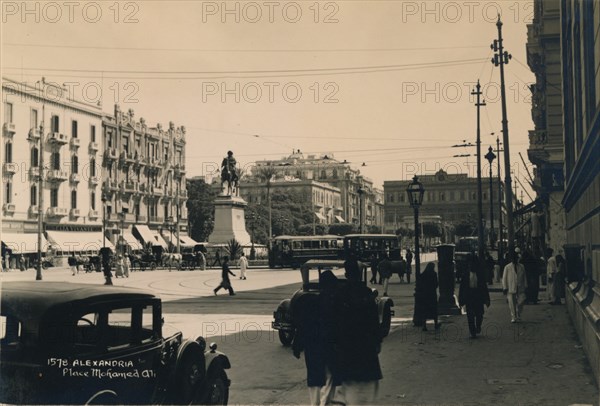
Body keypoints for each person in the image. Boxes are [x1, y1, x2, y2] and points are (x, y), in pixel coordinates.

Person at [333, 255, 382, 404]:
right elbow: (374, 322)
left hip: (347, 350)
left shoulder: (340, 295)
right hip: (366, 350)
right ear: (359, 273)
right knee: (367, 394)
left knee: (349, 392)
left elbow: (335, 323)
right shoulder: (367, 294)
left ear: (346, 274)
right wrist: (377, 342)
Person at [292, 270, 340, 405]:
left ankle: (315, 404)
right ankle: (325, 403)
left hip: (313, 347)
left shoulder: (309, 302)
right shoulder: (335, 303)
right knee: (330, 376)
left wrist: (297, 345)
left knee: (314, 377)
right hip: (329, 346)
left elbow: (302, 326)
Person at [458, 253, 491, 338]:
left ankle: (478, 326)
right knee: (470, 315)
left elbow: (484, 287)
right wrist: (461, 300)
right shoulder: (465, 275)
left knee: (479, 314)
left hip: (478, 296)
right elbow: (462, 289)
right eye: (470, 264)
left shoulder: (480, 274)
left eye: (473, 264)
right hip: (469, 297)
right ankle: (472, 332)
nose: (471, 266)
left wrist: (487, 299)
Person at [502, 250, 528, 323]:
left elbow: (524, 276)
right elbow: (504, 278)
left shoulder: (521, 266)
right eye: (513, 258)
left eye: (516, 258)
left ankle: (518, 313)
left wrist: (526, 285)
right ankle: (513, 317)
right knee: (511, 303)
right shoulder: (507, 267)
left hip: (520, 286)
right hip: (511, 287)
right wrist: (505, 287)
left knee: (521, 300)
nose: (515, 260)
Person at [415, 262, 440, 331]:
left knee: (425, 310)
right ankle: (436, 324)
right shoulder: (434, 274)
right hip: (432, 295)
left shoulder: (423, 274)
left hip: (425, 295)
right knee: (434, 310)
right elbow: (436, 284)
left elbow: (420, 284)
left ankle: (424, 326)